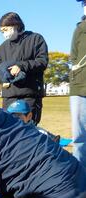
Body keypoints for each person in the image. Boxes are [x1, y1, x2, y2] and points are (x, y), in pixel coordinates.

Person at [0, 12, 48, 125]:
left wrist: (21, 66)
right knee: (8, 129)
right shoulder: (3, 47)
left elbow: (42, 61)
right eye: (2, 31)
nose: (5, 33)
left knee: (29, 129)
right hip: (9, 95)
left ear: (16, 25)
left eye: (6, 29)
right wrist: (3, 71)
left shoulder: (35, 39)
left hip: (30, 94)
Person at [70, 0, 86, 167]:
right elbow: (74, 57)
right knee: (80, 136)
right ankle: (81, 174)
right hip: (79, 87)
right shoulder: (79, 29)